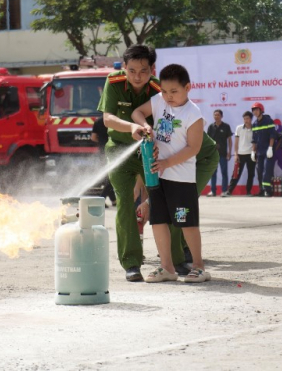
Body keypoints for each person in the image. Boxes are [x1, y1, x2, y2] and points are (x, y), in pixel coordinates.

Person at [98, 45, 218, 282]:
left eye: (143, 71)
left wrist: (161, 156)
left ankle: (179, 261)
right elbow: (108, 118)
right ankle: (132, 263)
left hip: (159, 159)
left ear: (152, 69)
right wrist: (135, 127)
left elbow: (188, 143)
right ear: (124, 67)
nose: (137, 77)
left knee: (172, 210)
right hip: (122, 150)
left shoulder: (161, 91)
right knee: (127, 203)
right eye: (132, 70)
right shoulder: (115, 83)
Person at [127, 64, 210, 283]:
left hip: (181, 180)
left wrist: (167, 163)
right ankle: (167, 267)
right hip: (157, 177)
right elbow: (136, 113)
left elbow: (193, 148)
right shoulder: (158, 102)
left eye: (174, 91)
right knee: (158, 221)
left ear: (188, 88)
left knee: (186, 223)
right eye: (164, 91)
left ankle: (199, 267)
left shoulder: (194, 114)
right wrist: (146, 127)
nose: (168, 96)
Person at [225, 111, 256, 197]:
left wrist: (254, 152)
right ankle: (229, 191)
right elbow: (236, 142)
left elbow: (256, 142)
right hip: (240, 154)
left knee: (251, 174)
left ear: (251, 119)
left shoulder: (255, 128)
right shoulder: (239, 128)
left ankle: (248, 191)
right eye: (244, 119)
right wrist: (235, 154)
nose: (246, 120)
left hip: (251, 154)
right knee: (236, 173)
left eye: (247, 118)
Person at [251, 102, 278, 197]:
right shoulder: (254, 124)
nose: (255, 112)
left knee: (267, 170)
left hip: (268, 150)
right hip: (259, 151)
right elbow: (254, 140)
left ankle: (267, 190)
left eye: (257, 110)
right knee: (259, 170)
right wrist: (253, 152)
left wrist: (270, 148)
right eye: (253, 110)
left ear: (261, 110)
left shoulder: (268, 121)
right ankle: (262, 190)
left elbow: (272, 135)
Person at [90, 115, 116, 206]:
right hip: (113, 152)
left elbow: (93, 137)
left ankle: (113, 200)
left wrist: (102, 141)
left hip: (102, 152)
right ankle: (101, 198)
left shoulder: (98, 121)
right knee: (111, 177)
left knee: (107, 177)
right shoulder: (115, 120)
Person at [207, 110, 233, 197]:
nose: (216, 117)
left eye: (218, 115)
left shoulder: (226, 126)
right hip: (213, 154)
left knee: (224, 172)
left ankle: (224, 191)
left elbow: (229, 140)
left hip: (223, 154)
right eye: (215, 115)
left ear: (221, 116)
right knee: (213, 173)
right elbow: (208, 140)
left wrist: (229, 152)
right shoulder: (211, 127)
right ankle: (213, 191)